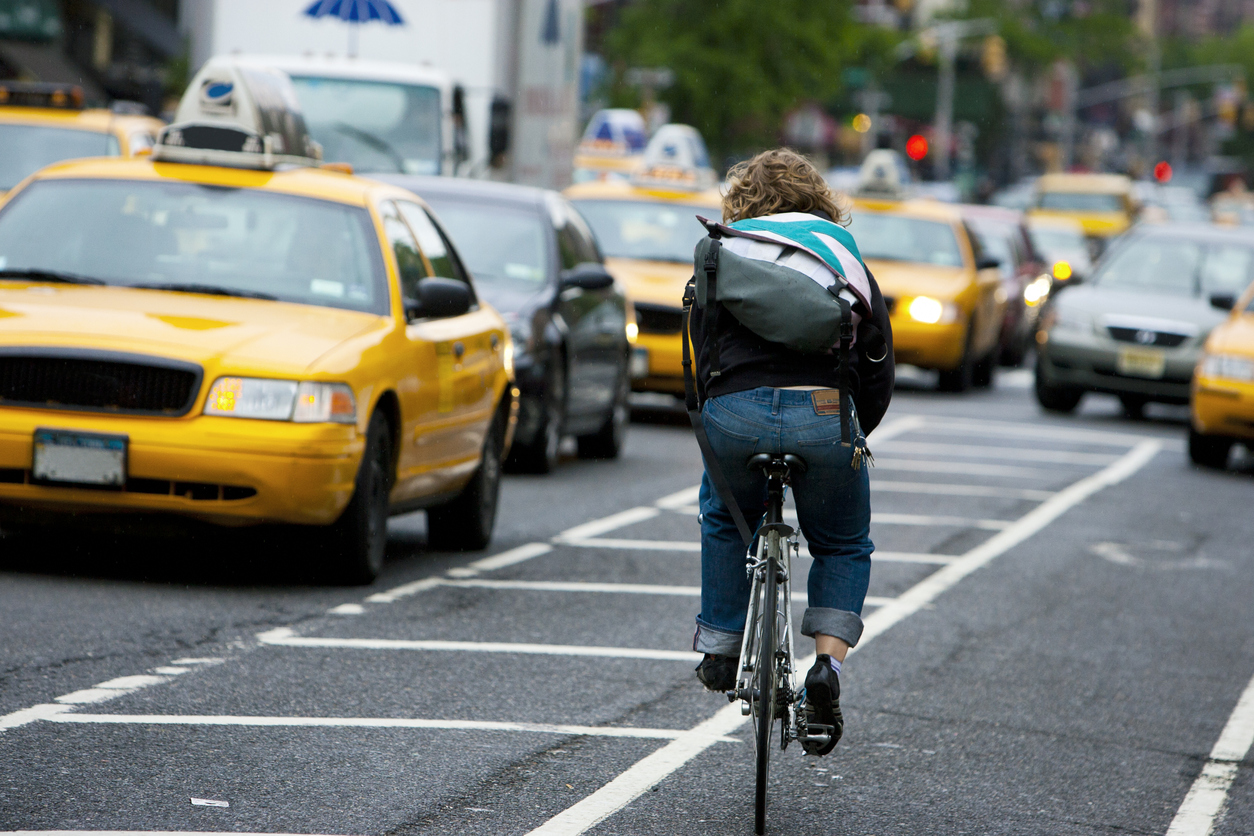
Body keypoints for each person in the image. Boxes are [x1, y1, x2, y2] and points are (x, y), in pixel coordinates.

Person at [688, 149, 894, 756]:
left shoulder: (726, 246)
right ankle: (826, 666)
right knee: (843, 542)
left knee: (725, 514)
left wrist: (715, 416)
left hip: (735, 410)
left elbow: (698, 351)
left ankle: (722, 646)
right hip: (824, 412)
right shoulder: (840, 251)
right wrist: (855, 432)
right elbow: (877, 359)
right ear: (818, 197)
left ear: (743, 197)